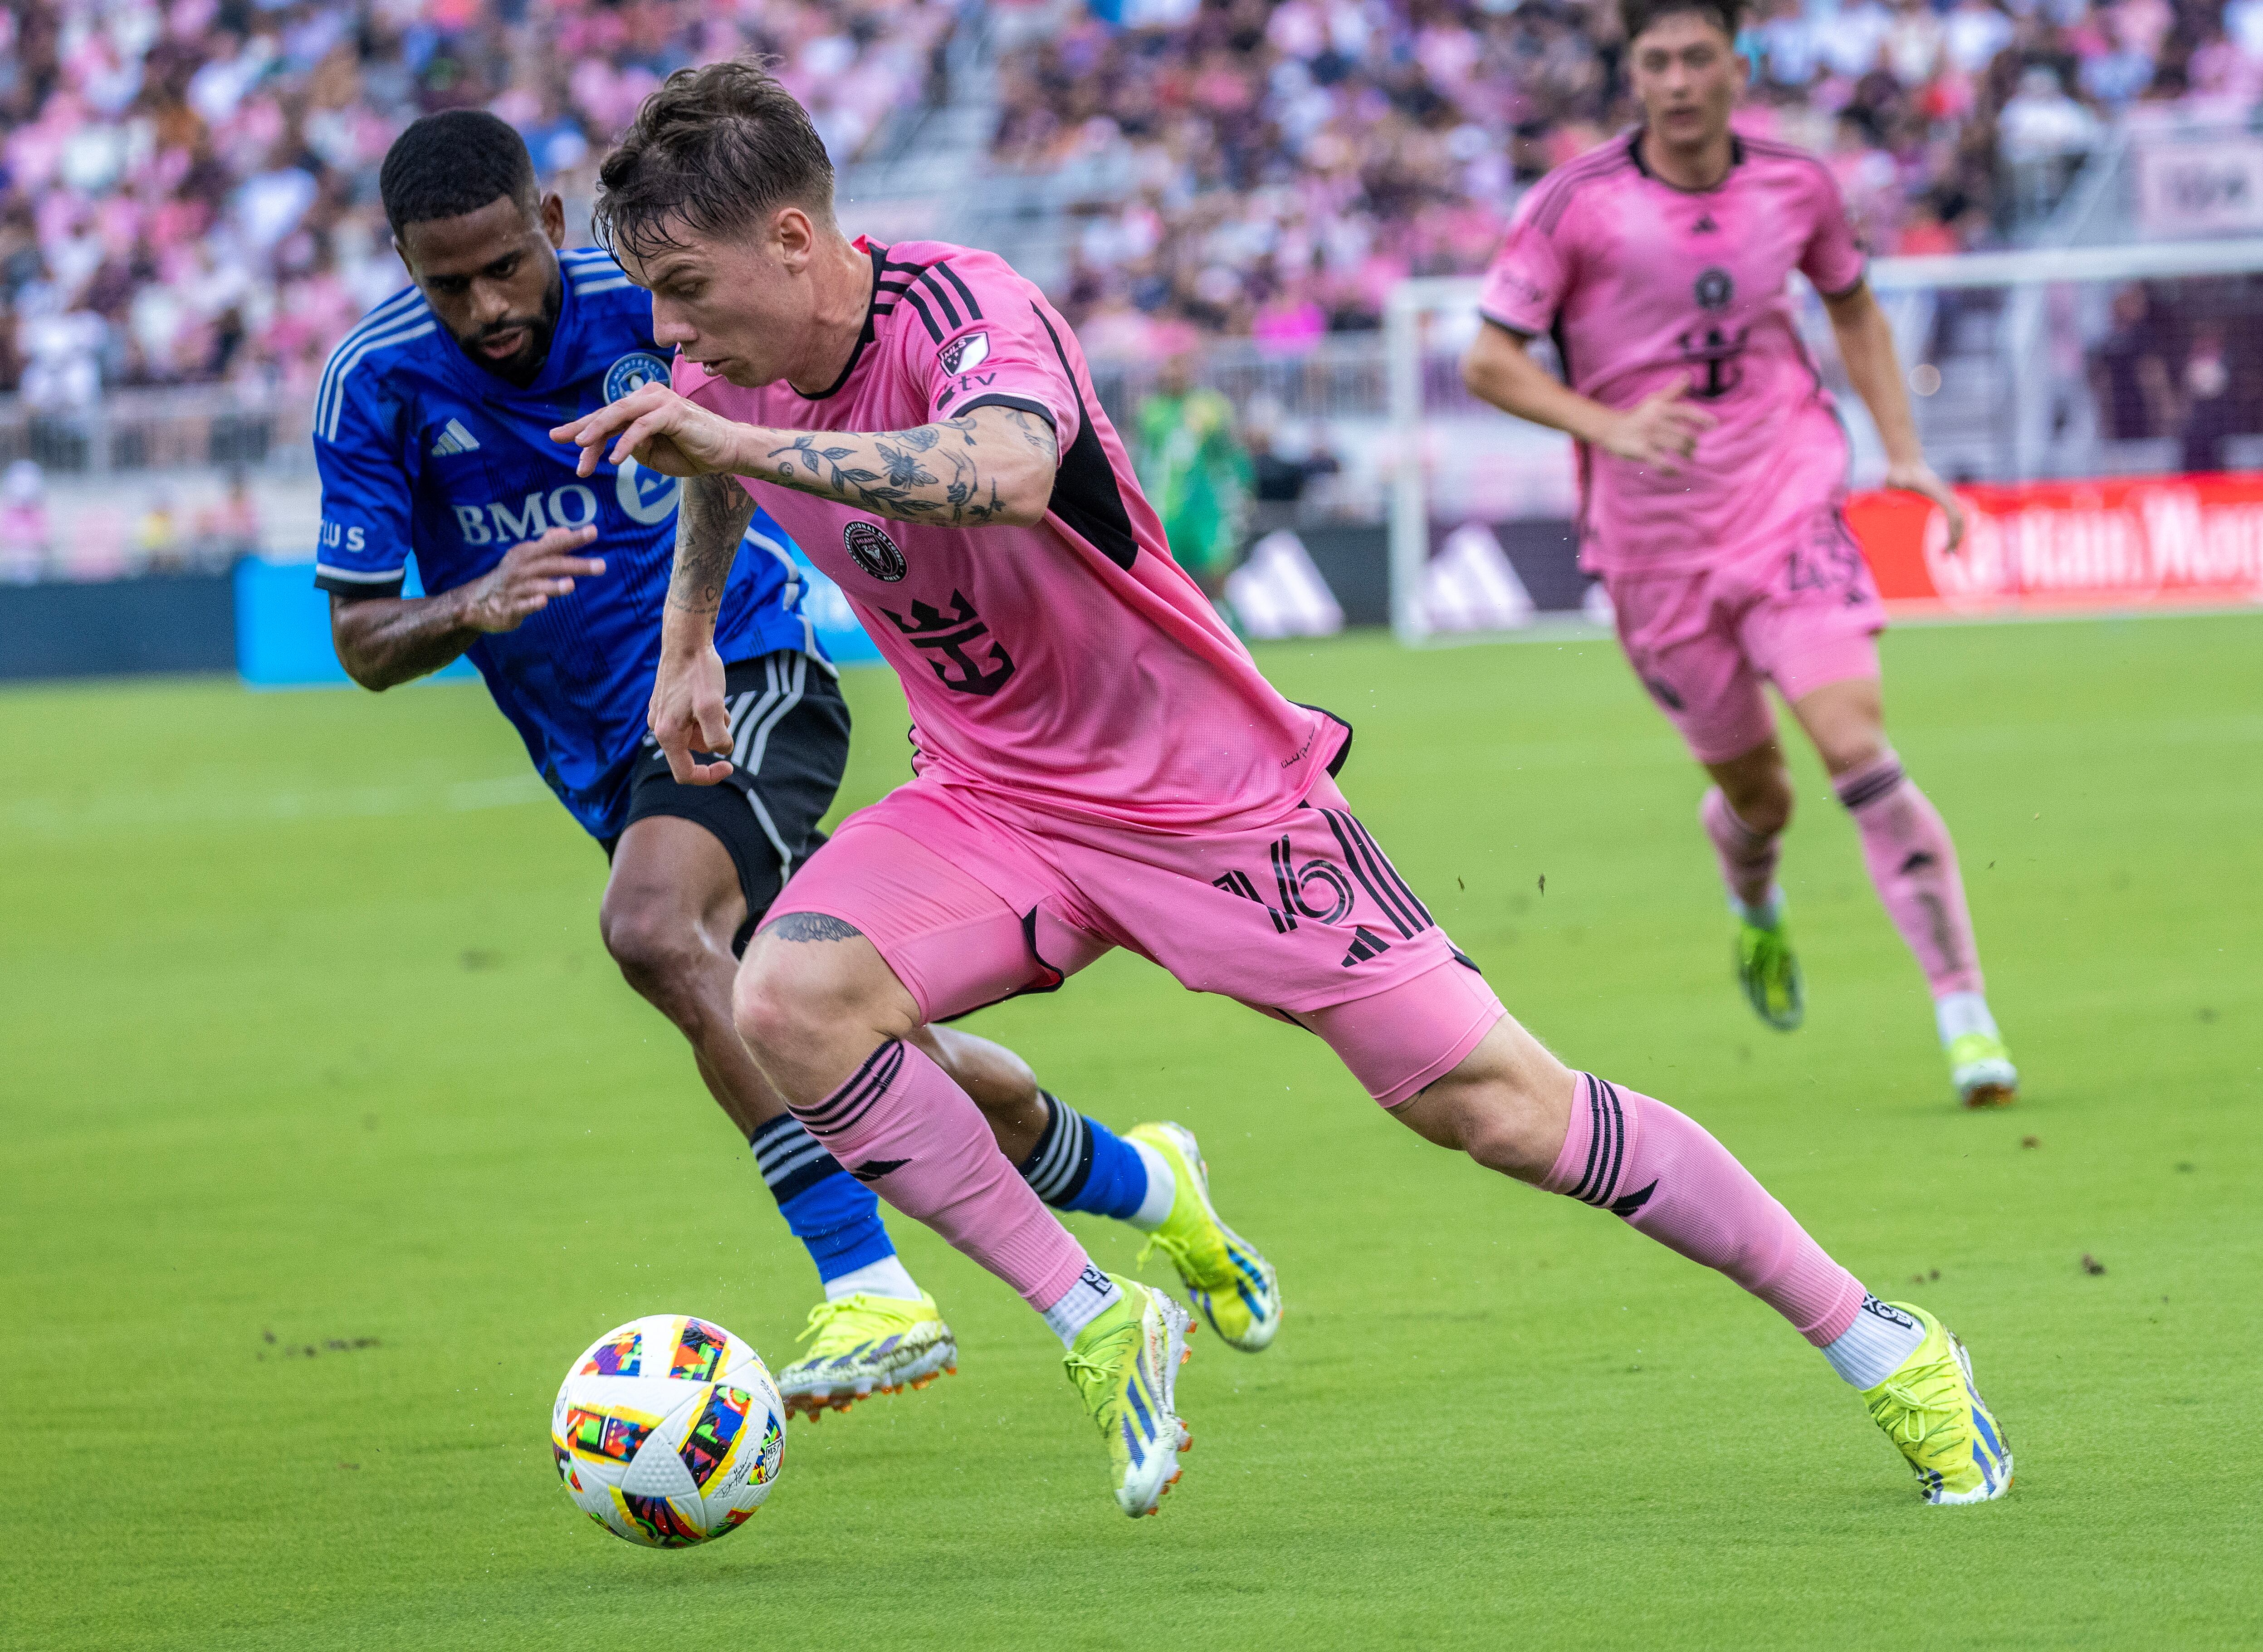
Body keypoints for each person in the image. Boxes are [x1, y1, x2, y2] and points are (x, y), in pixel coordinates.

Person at [554, 59, 2012, 1518]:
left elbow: (999, 469)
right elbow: (713, 469)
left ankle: (1880, 1337)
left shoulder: (968, 308)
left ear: (797, 242)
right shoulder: (720, 371)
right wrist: (689, 636)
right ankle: (1097, 1316)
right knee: (789, 999)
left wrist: (737, 441)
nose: (668, 329)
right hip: (993, 796)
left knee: (1504, 1110)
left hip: (1215, 802)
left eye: (685, 286)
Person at [312, 112, 1281, 1419]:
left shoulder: (659, 298)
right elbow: (365, 639)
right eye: (447, 283)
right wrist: (468, 604)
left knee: (653, 930)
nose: (486, 305)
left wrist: (696, 631)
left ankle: (865, 1278)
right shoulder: (375, 385)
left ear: (549, 220)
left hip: (750, 680)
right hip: (603, 757)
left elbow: (751, 430)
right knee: (883, 1061)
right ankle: (1155, 1186)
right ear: (401, 263)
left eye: (504, 265)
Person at [1460, 0, 2020, 1109]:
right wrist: (1606, 425)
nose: (1675, 80)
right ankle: (1753, 891)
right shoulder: (1575, 205)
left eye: (1695, 57)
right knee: (1761, 794)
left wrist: (1900, 450)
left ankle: (1965, 1016)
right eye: (1654, 60)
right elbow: (1488, 362)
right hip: (1653, 544)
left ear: (1737, 64)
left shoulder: (1797, 186)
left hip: (1787, 499)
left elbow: (1853, 309)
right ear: (1632, 73)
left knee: (1853, 741)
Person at [1135, 346, 1252, 601]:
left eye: (1179, 367)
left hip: (1208, 502)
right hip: (1166, 503)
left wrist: (1243, 486)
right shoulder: (1151, 411)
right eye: (1168, 367)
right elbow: (1143, 459)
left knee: (1218, 565)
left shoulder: (1211, 405)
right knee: (1167, 568)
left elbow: (1231, 450)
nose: (1172, 374)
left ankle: (1226, 619)